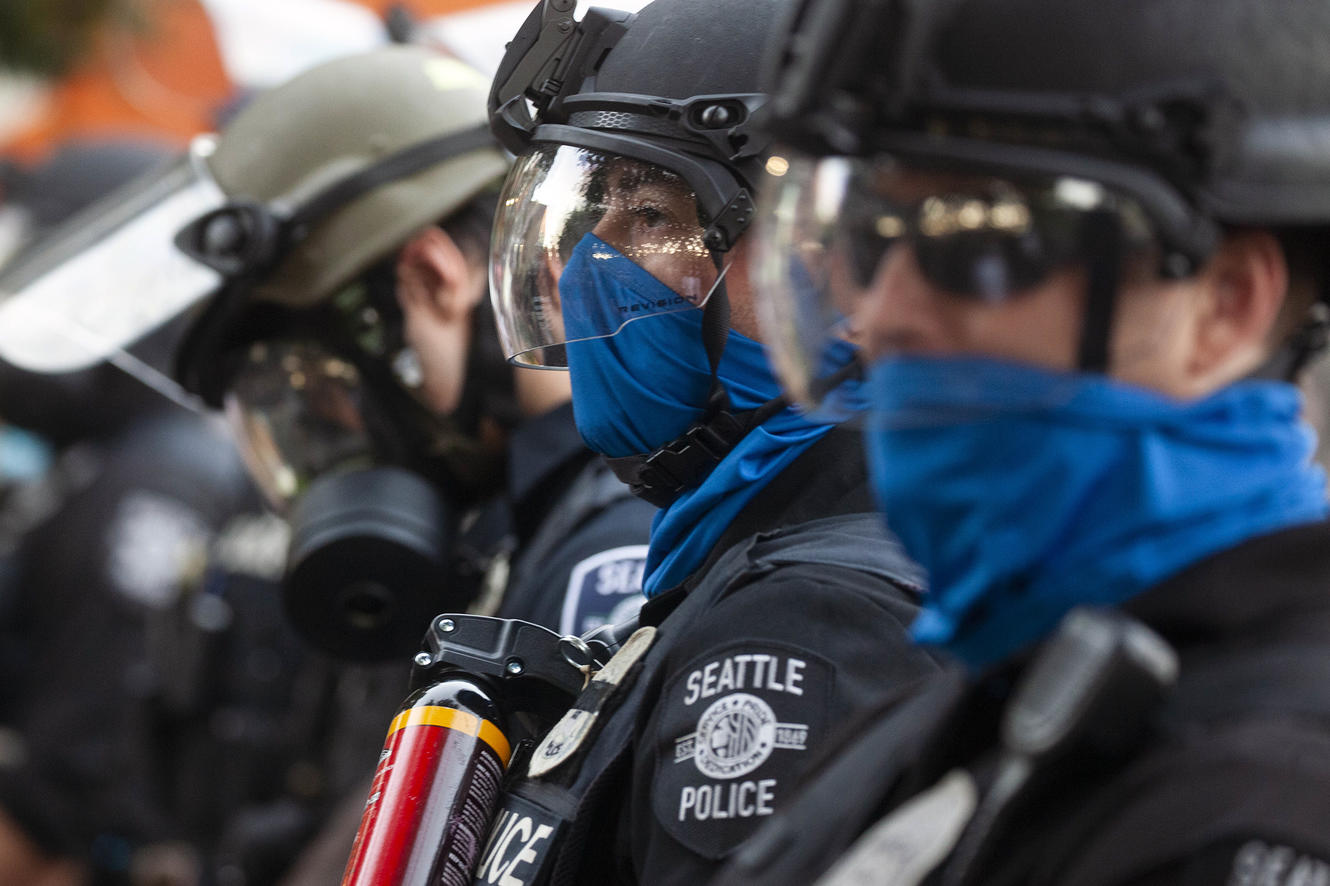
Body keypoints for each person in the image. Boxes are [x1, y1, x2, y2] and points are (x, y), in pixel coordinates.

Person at [714, 1, 1330, 883]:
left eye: (984, 242)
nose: (882, 312)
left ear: (1224, 307)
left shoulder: (1266, 801)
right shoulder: (991, 698)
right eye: (873, 238)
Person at [475, 0, 937, 881]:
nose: (588, 265)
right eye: (598, 211)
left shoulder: (817, 624)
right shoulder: (749, 554)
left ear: (835, 254)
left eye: (650, 215)